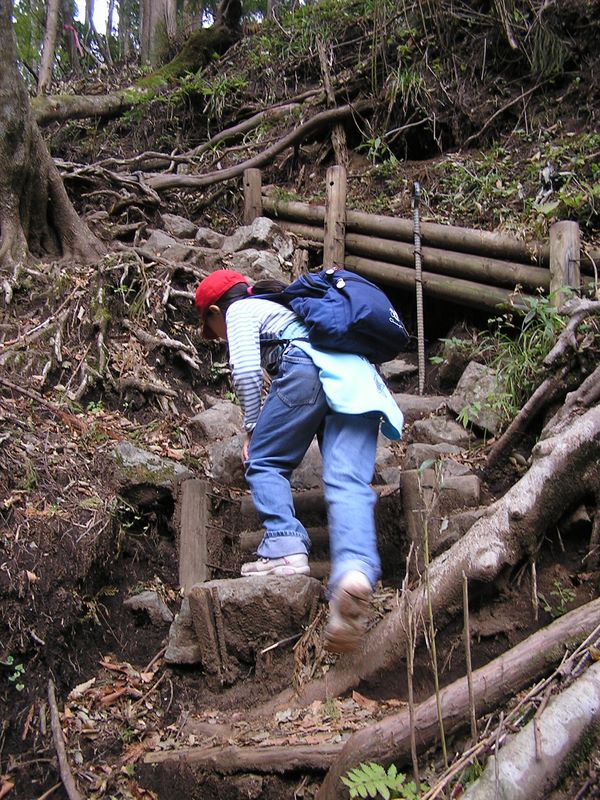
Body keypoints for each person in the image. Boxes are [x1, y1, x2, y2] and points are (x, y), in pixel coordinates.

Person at [195, 268, 404, 654]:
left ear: (214, 311)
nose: (217, 337)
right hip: (358, 378)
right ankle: (354, 574)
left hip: (308, 369)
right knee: (346, 482)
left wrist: (253, 428)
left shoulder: (242, 310)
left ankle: (285, 547)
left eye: (212, 329)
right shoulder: (290, 310)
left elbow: (243, 371)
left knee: (264, 460)